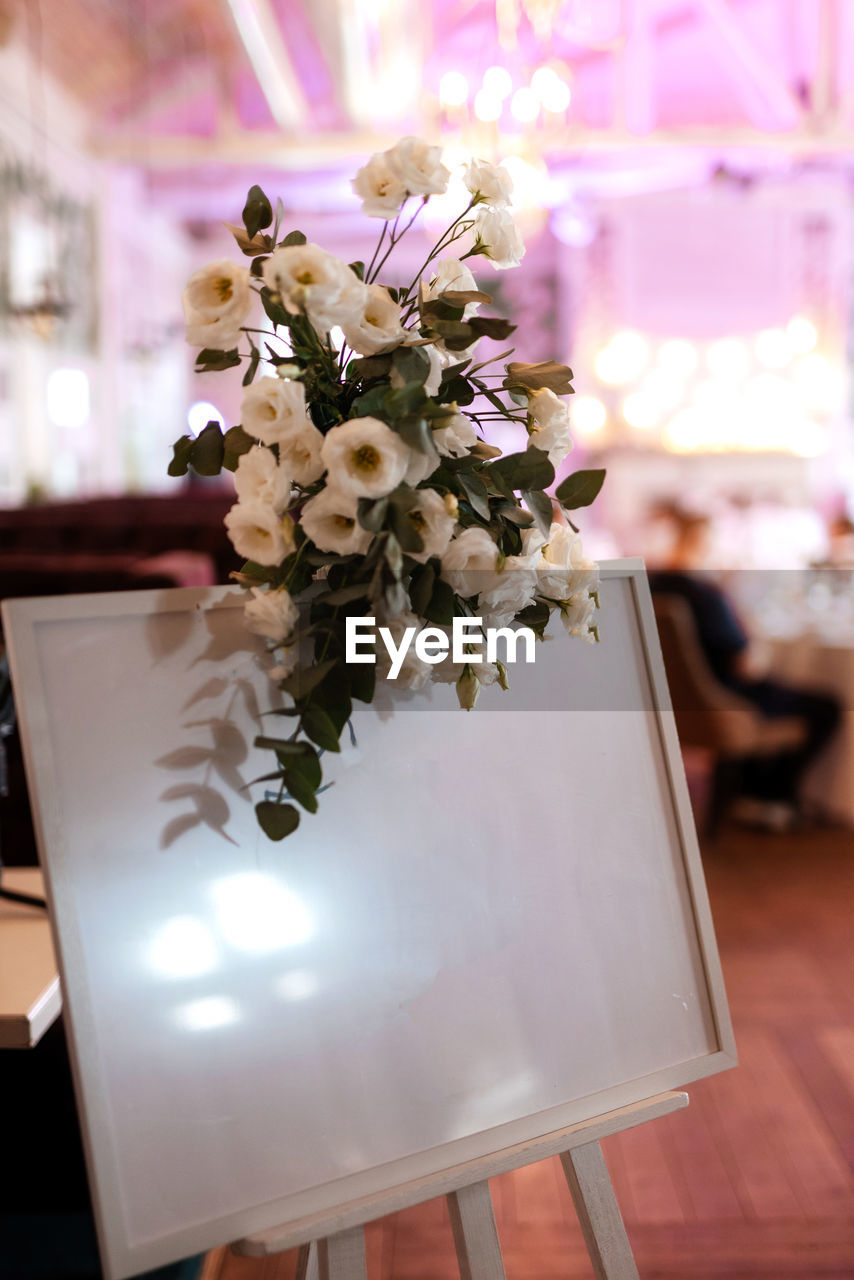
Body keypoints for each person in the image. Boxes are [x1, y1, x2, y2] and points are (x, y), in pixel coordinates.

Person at [648, 506, 841, 829]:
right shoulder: (707, 595)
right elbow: (743, 664)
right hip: (726, 694)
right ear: (703, 542)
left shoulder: (653, 586)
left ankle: (750, 792)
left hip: (678, 701)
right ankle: (774, 795)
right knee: (827, 705)